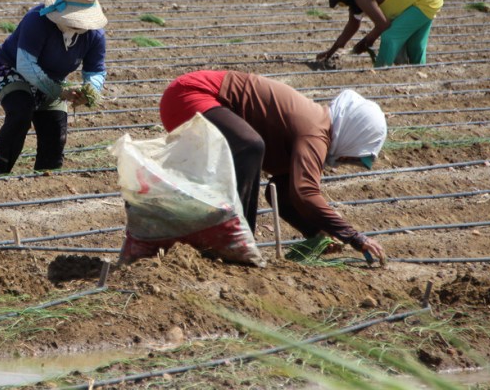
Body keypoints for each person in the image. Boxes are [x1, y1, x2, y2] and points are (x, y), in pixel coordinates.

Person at [159, 70, 388, 262]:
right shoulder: (315, 132)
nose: (344, 161)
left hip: (189, 101)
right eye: (352, 157)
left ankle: (218, 237)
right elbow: (305, 192)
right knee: (249, 146)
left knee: (247, 148)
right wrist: (355, 237)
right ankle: (236, 240)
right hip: (189, 95)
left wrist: (317, 233)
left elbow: (284, 194)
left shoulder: (314, 133)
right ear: (352, 133)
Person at [0, 0, 107, 173]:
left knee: (56, 134)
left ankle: (45, 179)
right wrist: (59, 92)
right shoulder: (37, 20)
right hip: (13, 69)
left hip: (53, 79)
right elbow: (25, 64)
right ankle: (0, 173)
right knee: (21, 113)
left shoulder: (94, 36)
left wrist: (90, 90)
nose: (78, 24)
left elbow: (95, 70)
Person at [318, 0, 444, 67]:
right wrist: (330, 52)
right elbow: (350, 29)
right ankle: (419, 73)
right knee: (414, 44)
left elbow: (383, 25)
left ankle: (381, 71)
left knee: (390, 36)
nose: (343, 6)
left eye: (340, 3)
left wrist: (366, 42)